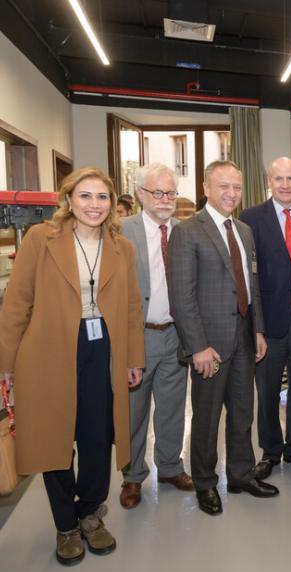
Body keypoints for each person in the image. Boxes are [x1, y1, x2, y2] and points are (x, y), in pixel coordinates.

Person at [0, 167, 145, 565]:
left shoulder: (122, 248)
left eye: (102, 197)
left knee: (97, 436)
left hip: (102, 350)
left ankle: (91, 515)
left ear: (113, 205)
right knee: (54, 439)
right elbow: (17, 303)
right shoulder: (40, 240)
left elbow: (132, 308)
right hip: (47, 350)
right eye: (85, 196)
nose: (94, 205)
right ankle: (66, 525)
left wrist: (134, 358)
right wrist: (7, 363)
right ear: (68, 200)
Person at [167, 160, 276, 517]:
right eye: (223, 186)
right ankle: (205, 482)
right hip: (209, 344)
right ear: (206, 188)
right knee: (207, 417)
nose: (231, 194)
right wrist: (197, 346)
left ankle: (242, 474)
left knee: (243, 413)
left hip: (244, 337)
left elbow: (251, 284)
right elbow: (182, 295)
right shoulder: (188, 231)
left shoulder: (243, 230)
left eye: (237, 187)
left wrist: (258, 328)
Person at [240, 157, 291, 479]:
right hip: (269, 322)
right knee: (268, 389)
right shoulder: (250, 218)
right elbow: (250, 277)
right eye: (279, 179)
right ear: (268, 182)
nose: (285, 184)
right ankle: (270, 451)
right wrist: (255, 327)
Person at [117, 163, 193, 510]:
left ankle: (170, 467)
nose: (165, 200)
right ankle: (133, 477)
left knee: (173, 408)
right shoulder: (120, 232)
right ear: (140, 195)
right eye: (158, 193)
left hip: (175, 335)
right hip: (138, 337)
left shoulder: (184, 231)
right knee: (134, 412)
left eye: (171, 193)